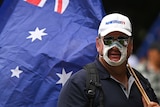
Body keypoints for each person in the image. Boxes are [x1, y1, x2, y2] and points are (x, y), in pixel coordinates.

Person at [57, 13, 160, 107]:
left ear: (131, 45)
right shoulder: (79, 84)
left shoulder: (141, 83)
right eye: (108, 40)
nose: (115, 46)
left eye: (122, 40)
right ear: (98, 44)